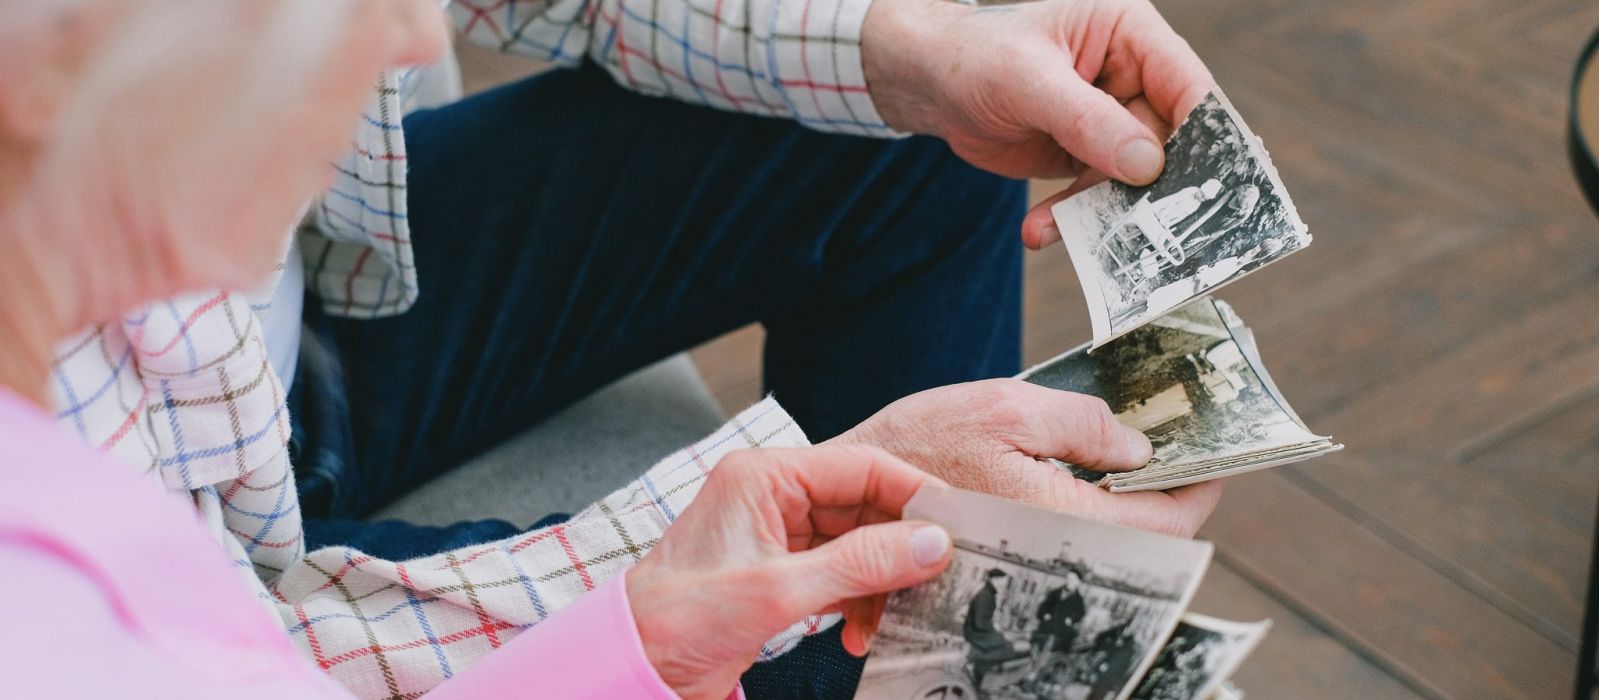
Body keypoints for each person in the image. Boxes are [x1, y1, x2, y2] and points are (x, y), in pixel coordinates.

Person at [12, 0, 1225, 697]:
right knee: (844, 613)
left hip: (293, 326)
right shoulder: (52, 566)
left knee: (929, 131)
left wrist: (911, 48)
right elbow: (241, 648)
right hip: (234, 548)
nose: (406, 35)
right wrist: (802, 544)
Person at [963, 568, 1028, 692]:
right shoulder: (985, 596)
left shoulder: (988, 593)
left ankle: (984, 672)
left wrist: (995, 627)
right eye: (1002, 582)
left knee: (1004, 642)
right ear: (995, 580)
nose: (1003, 585)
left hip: (977, 631)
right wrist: (994, 628)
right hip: (976, 633)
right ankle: (983, 674)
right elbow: (980, 623)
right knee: (1007, 647)